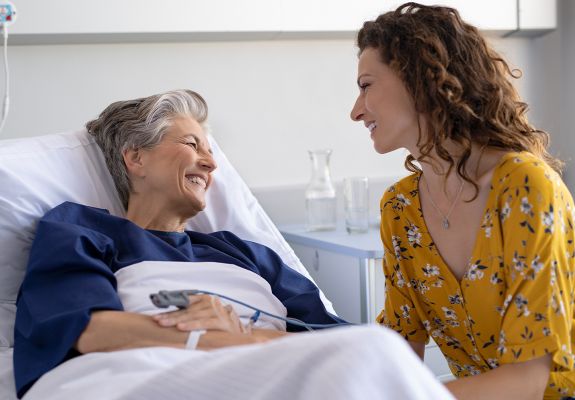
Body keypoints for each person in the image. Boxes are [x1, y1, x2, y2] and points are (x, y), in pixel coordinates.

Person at [13, 89, 454, 400]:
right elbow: (84, 330)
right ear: (136, 158)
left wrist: (243, 337)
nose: (209, 163)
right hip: (150, 371)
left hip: (267, 371)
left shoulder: (245, 254)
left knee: (376, 350)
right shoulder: (83, 230)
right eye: (191, 144)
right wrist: (202, 340)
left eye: (211, 151)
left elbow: (333, 337)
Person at [350, 2, 575, 399]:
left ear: (416, 76)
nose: (355, 111)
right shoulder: (400, 209)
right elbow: (397, 354)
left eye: (366, 85)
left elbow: (527, 383)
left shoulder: (525, 186)